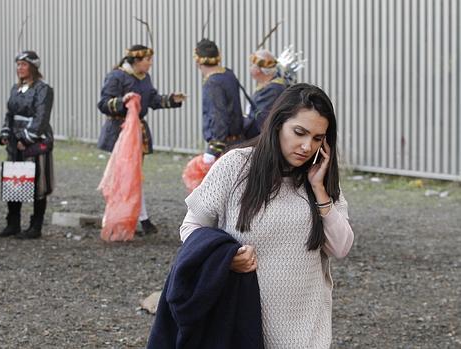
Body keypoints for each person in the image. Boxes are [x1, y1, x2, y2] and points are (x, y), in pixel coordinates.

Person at [179, 83, 354, 347]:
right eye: (299, 132)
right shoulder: (236, 166)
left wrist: (319, 190)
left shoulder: (321, 182)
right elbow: (191, 225)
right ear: (277, 124)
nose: (307, 146)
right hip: (243, 319)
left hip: (306, 327)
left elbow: (340, 248)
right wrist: (225, 258)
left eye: (318, 138)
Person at [97, 44, 185, 234]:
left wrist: (171, 100)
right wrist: (123, 102)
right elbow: (104, 103)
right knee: (122, 177)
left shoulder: (145, 78)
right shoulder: (116, 76)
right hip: (119, 131)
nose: (150, 64)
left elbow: (152, 100)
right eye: (148, 60)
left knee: (134, 177)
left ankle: (135, 217)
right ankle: (122, 217)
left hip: (138, 131)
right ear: (137, 61)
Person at [0, 51, 54, 239]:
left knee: (38, 182)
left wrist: (27, 139)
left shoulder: (43, 89)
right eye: (18, 64)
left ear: (33, 67)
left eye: (23, 64)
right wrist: (6, 132)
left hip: (35, 140)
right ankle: (13, 223)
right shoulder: (16, 89)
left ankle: (35, 225)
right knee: (15, 181)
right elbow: (9, 113)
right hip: (15, 139)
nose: (20, 68)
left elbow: (41, 117)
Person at [193, 39, 243, 165]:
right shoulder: (228, 73)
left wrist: (213, 150)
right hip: (238, 140)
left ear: (198, 61)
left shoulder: (212, 83)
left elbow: (218, 115)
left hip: (225, 147)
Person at [243, 49, 289, 140]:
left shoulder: (272, 90)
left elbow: (259, 120)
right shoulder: (268, 87)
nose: (250, 67)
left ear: (258, 70)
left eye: (252, 65)